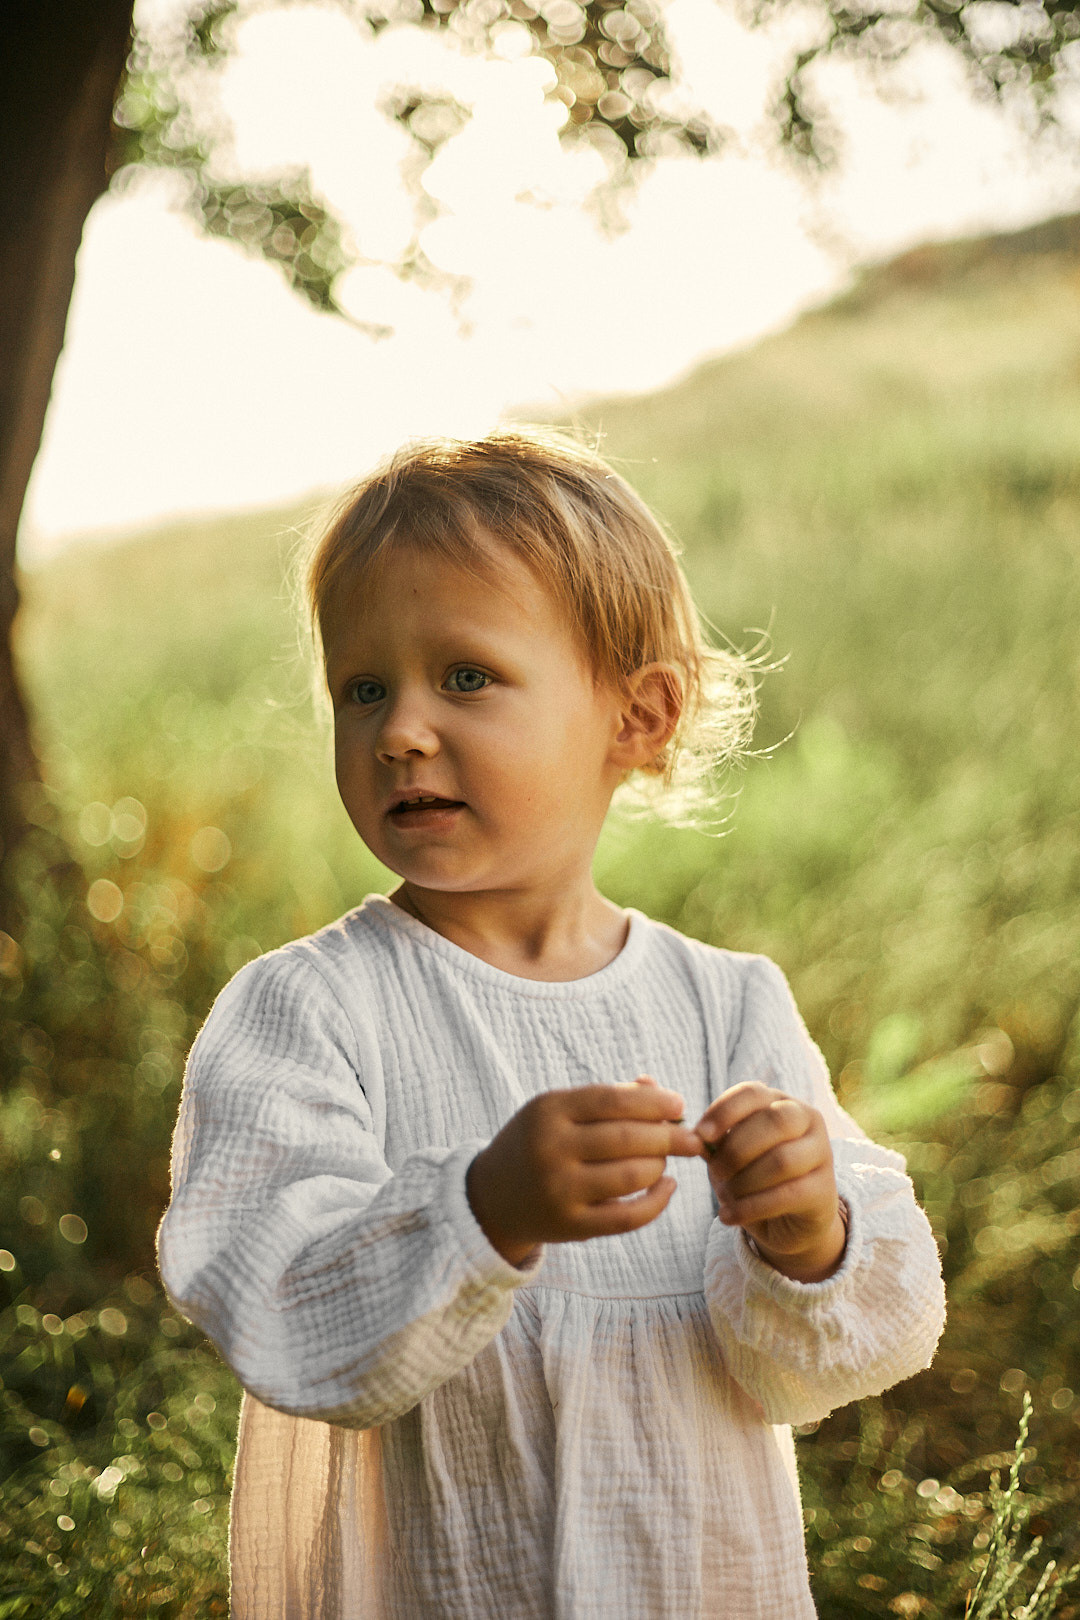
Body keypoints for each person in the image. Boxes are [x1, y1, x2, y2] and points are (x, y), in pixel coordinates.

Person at [156, 427, 946, 1620]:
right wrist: (484, 1208)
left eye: (465, 676)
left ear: (639, 716)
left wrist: (806, 1231)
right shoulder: (310, 1006)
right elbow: (270, 1305)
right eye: (362, 688)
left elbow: (831, 1358)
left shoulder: (725, 1004)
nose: (400, 730)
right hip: (436, 1581)